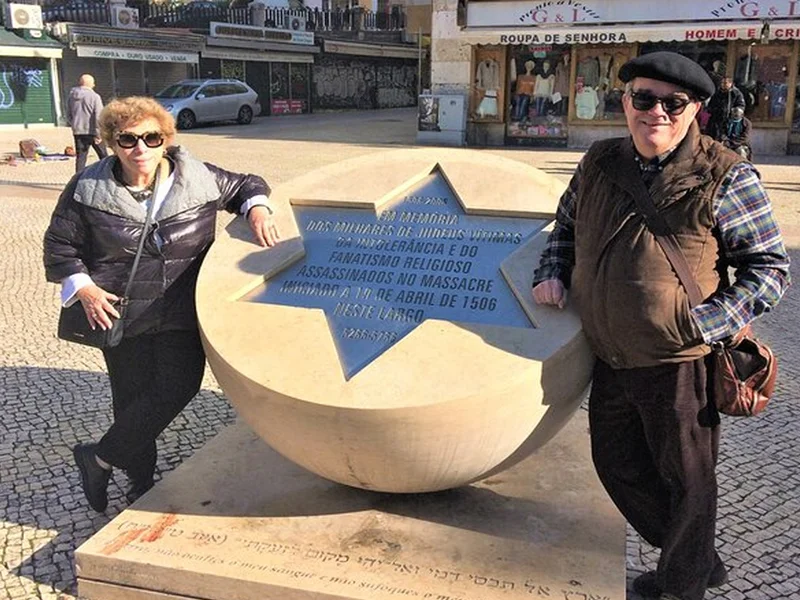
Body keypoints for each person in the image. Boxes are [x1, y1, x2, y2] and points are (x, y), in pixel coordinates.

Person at [531, 52, 789, 600]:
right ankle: (695, 558)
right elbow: (565, 225)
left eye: (674, 104)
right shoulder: (599, 162)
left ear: (695, 109)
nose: (657, 113)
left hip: (678, 363)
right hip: (610, 355)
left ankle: (682, 584)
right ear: (625, 102)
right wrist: (552, 270)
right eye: (643, 99)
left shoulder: (724, 174)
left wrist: (703, 323)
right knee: (616, 464)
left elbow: (769, 268)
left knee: (689, 482)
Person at [44, 96, 280, 512]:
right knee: (132, 399)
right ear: (111, 142)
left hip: (179, 312)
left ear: (166, 140)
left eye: (151, 138)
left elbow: (247, 184)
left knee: (179, 386)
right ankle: (140, 480)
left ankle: (98, 457)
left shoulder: (199, 177)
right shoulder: (87, 188)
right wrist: (84, 287)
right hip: (120, 312)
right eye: (128, 139)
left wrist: (256, 208)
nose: (141, 149)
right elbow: (60, 245)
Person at [67, 74, 108, 173]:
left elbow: (68, 113)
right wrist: (99, 133)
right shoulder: (94, 96)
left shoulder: (72, 95)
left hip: (78, 132)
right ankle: (107, 177)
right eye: (93, 83)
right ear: (91, 84)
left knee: (81, 158)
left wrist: (74, 125)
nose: (94, 85)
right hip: (93, 131)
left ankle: (77, 181)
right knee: (104, 157)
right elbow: (99, 115)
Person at [706, 75, 745, 142]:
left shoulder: (736, 94)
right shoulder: (717, 93)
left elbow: (741, 105)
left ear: (730, 83)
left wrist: (736, 112)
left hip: (729, 122)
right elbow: (710, 105)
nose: (723, 85)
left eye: (725, 83)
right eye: (722, 83)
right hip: (716, 121)